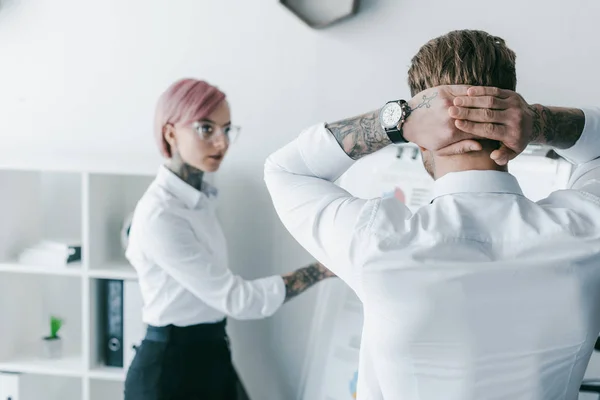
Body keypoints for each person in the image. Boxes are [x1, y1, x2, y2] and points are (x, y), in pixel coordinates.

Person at [264, 29, 600, 400]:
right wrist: (539, 122)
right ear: (512, 125)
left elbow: (286, 170)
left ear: (421, 138)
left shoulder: (375, 242)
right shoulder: (588, 229)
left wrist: (393, 121)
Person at [123, 78, 334, 400]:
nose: (222, 143)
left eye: (227, 129)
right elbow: (239, 299)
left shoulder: (200, 198)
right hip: (170, 374)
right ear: (170, 132)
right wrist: (323, 269)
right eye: (206, 129)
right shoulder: (160, 215)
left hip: (211, 356)